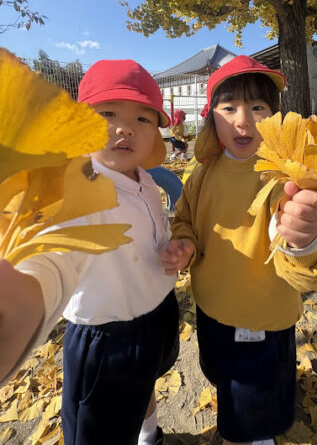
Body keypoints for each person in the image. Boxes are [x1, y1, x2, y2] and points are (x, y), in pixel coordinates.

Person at [0, 59, 193, 445]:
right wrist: (30, 293)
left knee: (146, 383)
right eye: (108, 113)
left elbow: (154, 234)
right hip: (106, 339)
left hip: (157, 313)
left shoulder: (146, 180)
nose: (126, 127)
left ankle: (149, 435)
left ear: (156, 133)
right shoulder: (72, 186)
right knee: (100, 430)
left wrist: (174, 248)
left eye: (143, 118)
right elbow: (54, 254)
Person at [160, 56, 317, 445]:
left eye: (257, 107)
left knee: (253, 409)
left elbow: (308, 260)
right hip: (211, 311)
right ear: (212, 118)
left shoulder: (285, 177)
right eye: (229, 108)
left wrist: (305, 238)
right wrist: (186, 243)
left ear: (275, 116)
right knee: (222, 376)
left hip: (261, 320)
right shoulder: (202, 173)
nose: (243, 120)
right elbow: (186, 219)